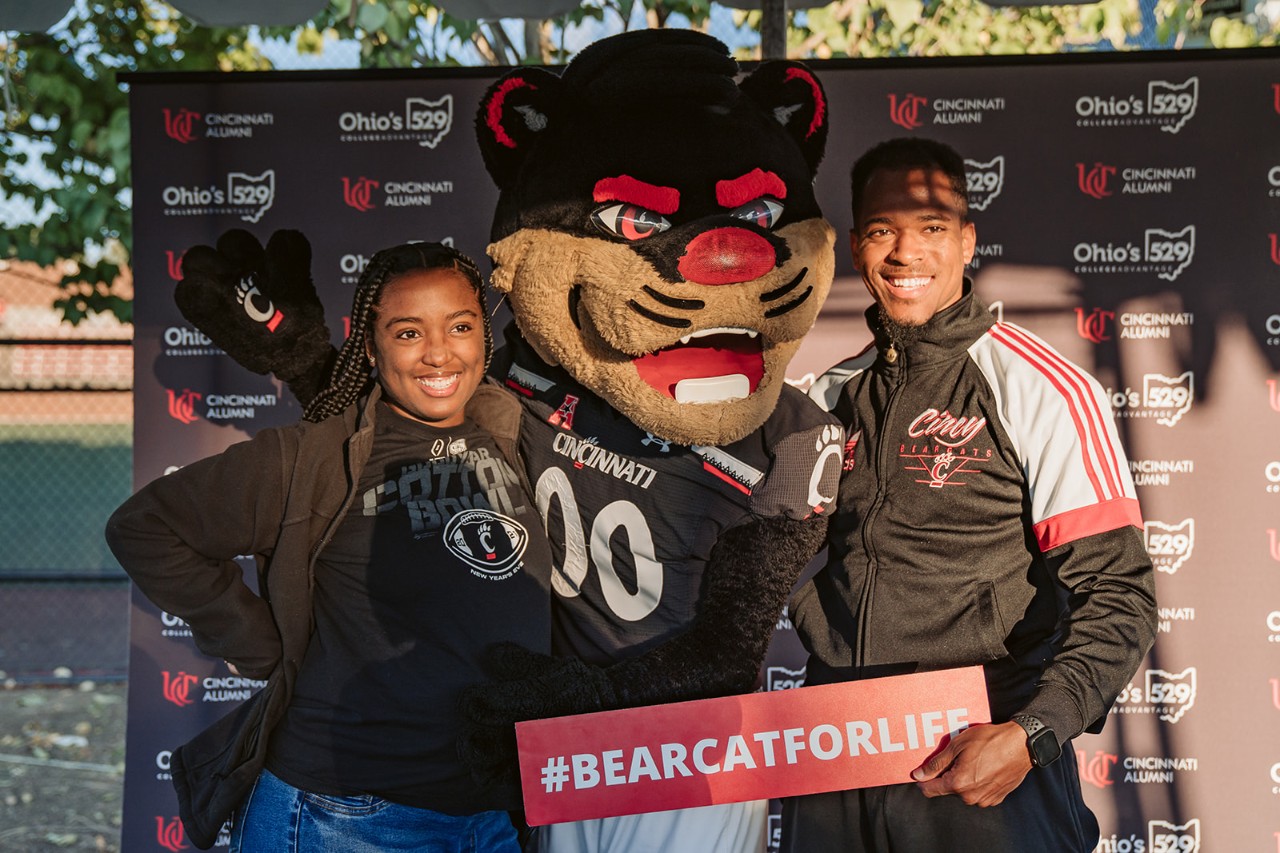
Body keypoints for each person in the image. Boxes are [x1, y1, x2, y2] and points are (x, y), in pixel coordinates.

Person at [106, 241, 553, 852]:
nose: (439, 353)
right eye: (407, 333)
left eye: (460, 326)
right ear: (369, 347)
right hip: (347, 815)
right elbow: (146, 527)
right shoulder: (312, 457)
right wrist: (260, 646)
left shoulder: (510, 434)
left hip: (492, 813)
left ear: (484, 336)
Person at [780, 137, 1157, 852]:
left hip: (982, 768)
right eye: (884, 231)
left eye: (931, 229)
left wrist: (1031, 734)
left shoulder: (1042, 386)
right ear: (857, 242)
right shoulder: (823, 400)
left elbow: (1121, 595)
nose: (905, 253)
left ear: (967, 240)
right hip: (837, 766)